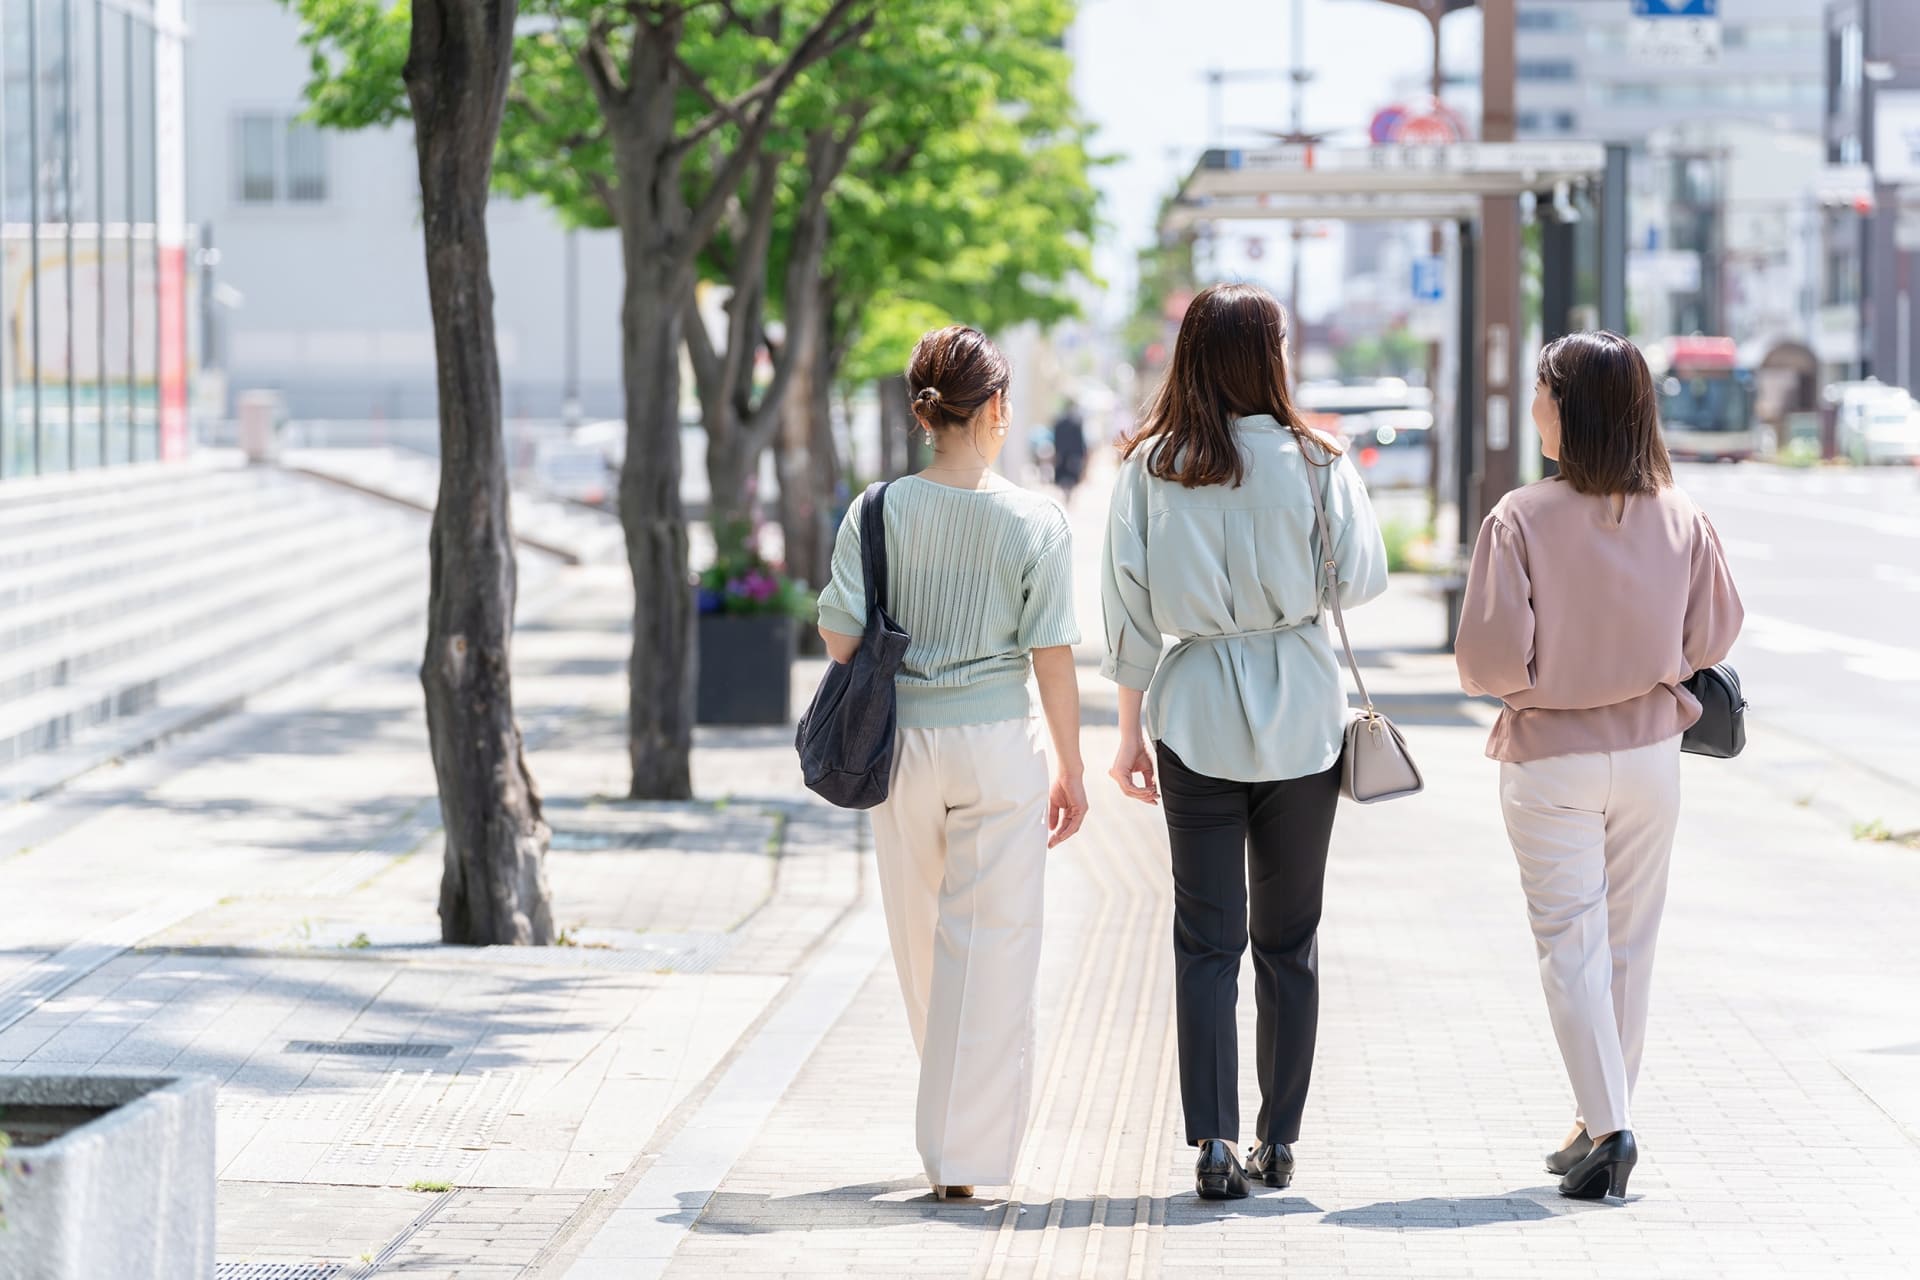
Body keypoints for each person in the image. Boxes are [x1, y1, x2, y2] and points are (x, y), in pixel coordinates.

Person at [1101, 284, 1388, 1201]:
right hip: (1303, 712)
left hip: (1193, 714)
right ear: (1272, 357)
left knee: (1205, 939)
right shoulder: (1318, 458)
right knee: (1289, 940)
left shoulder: (1152, 467)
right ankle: (1282, 1140)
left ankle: (1214, 1145)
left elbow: (1129, 616)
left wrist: (1123, 738)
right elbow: (1365, 580)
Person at [1455, 330, 1743, 1202]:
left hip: (1551, 757)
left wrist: (1546, 676)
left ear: (1569, 408)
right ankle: (1596, 1117)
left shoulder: (1520, 517)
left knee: (1569, 945)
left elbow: (1490, 661)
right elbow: (1714, 635)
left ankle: (1610, 1129)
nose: (1535, 407)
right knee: (1627, 945)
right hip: (1653, 752)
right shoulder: (1681, 513)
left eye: (1544, 393)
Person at [816, 325, 1088, 1203]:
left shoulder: (878, 509)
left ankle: (943, 1138)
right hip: (999, 746)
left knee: (920, 940)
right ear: (998, 407)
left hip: (902, 749)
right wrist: (1072, 770)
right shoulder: (1035, 520)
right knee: (995, 945)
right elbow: (1052, 655)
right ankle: (965, 1160)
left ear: (922, 411)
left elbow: (838, 635)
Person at [1050, 400, 1088, 497]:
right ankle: (1068, 492)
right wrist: (1083, 454)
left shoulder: (1059, 423)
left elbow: (1055, 439)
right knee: (1071, 476)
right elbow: (1081, 441)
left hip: (1062, 453)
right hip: (1074, 454)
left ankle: (1066, 492)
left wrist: (1056, 452)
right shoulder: (1076, 423)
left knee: (1063, 475)